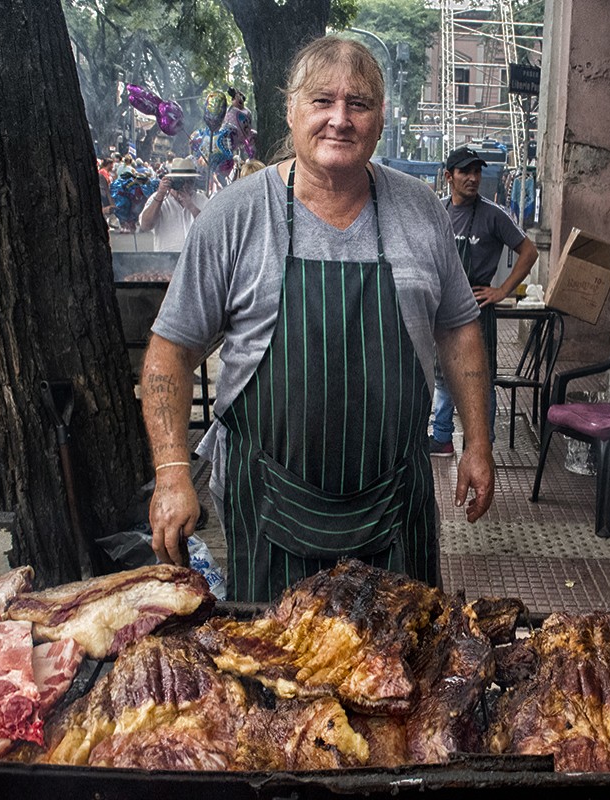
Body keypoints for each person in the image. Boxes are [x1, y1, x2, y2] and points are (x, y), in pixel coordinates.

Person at [141, 35, 495, 602]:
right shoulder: (235, 215)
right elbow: (171, 351)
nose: (340, 119)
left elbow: (458, 328)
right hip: (271, 509)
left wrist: (476, 441)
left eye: (358, 104)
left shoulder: (422, 211)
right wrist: (172, 471)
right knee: (278, 676)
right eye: (322, 101)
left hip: (395, 505)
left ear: (379, 119)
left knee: (408, 672)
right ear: (291, 110)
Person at [428, 145, 539, 455]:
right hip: (445, 306)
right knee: (443, 374)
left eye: (477, 171)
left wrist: (501, 290)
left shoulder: (494, 215)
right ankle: (442, 437)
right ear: (449, 176)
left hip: (478, 309)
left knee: (480, 377)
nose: (473, 178)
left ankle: (482, 445)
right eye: (465, 171)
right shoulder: (438, 211)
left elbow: (529, 252)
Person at [137, 157, 207, 251]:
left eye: (191, 181)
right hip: (166, 259)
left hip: (194, 259)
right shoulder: (159, 199)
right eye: (182, 181)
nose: (186, 185)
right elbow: (145, 226)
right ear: (174, 180)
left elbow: (210, 228)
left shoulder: (201, 199)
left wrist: (191, 207)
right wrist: (160, 195)